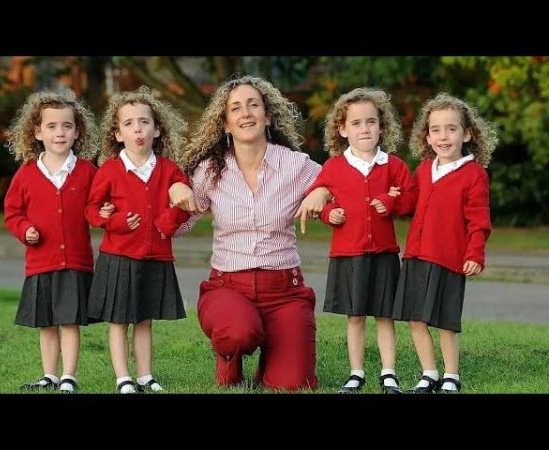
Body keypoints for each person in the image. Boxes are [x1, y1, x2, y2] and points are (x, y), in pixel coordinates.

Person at [171, 75, 331, 391]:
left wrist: (325, 190)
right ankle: (230, 355)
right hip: (228, 287)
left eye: (253, 105)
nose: (245, 113)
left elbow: (342, 187)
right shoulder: (210, 170)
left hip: (284, 291)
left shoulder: (296, 166)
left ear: (268, 115)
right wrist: (174, 191)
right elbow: (179, 226)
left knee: (293, 384)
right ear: (226, 123)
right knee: (238, 331)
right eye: (236, 108)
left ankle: (274, 349)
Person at [84, 86, 192, 394]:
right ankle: (123, 379)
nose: (138, 129)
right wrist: (115, 221)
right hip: (118, 257)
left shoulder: (170, 170)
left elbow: (185, 206)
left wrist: (165, 221)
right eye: (129, 124)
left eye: (144, 122)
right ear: (118, 133)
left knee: (144, 320)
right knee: (119, 321)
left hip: (155, 257)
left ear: (157, 129)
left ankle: (145, 376)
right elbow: (91, 211)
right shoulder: (108, 170)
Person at [309, 87, 417, 394]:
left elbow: (411, 199)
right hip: (348, 254)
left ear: (382, 126)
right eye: (356, 123)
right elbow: (315, 201)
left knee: (385, 316)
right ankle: (356, 373)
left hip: (384, 253)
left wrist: (392, 203)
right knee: (354, 316)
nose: (364, 128)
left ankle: (388, 373)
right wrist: (330, 214)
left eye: (371, 122)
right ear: (342, 129)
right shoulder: (333, 167)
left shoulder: (393, 165)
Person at [4, 89, 109, 393]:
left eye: (66, 126)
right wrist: (25, 229)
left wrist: (103, 213)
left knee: (69, 322)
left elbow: (97, 207)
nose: (59, 133)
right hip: (40, 262)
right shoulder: (25, 174)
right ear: (37, 132)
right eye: (51, 127)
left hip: (76, 261)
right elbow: (13, 212)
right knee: (46, 323)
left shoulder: (88, 171)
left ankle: (69, 376)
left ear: (77, 131)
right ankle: (49, 375)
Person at [392, 92, 498, 393]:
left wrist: (475, 253)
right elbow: (409, 203)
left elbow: (479, 221)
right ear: (427, 136)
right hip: (415, 256)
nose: (443, 136)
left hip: (450, 258)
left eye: (451, 128)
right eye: (435, 129)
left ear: (467, 133)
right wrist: (392, 200)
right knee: (415, 318)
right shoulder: (424, 170)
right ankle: (429, 373)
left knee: (445, 321)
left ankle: (451, 375)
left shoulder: (474, 174)